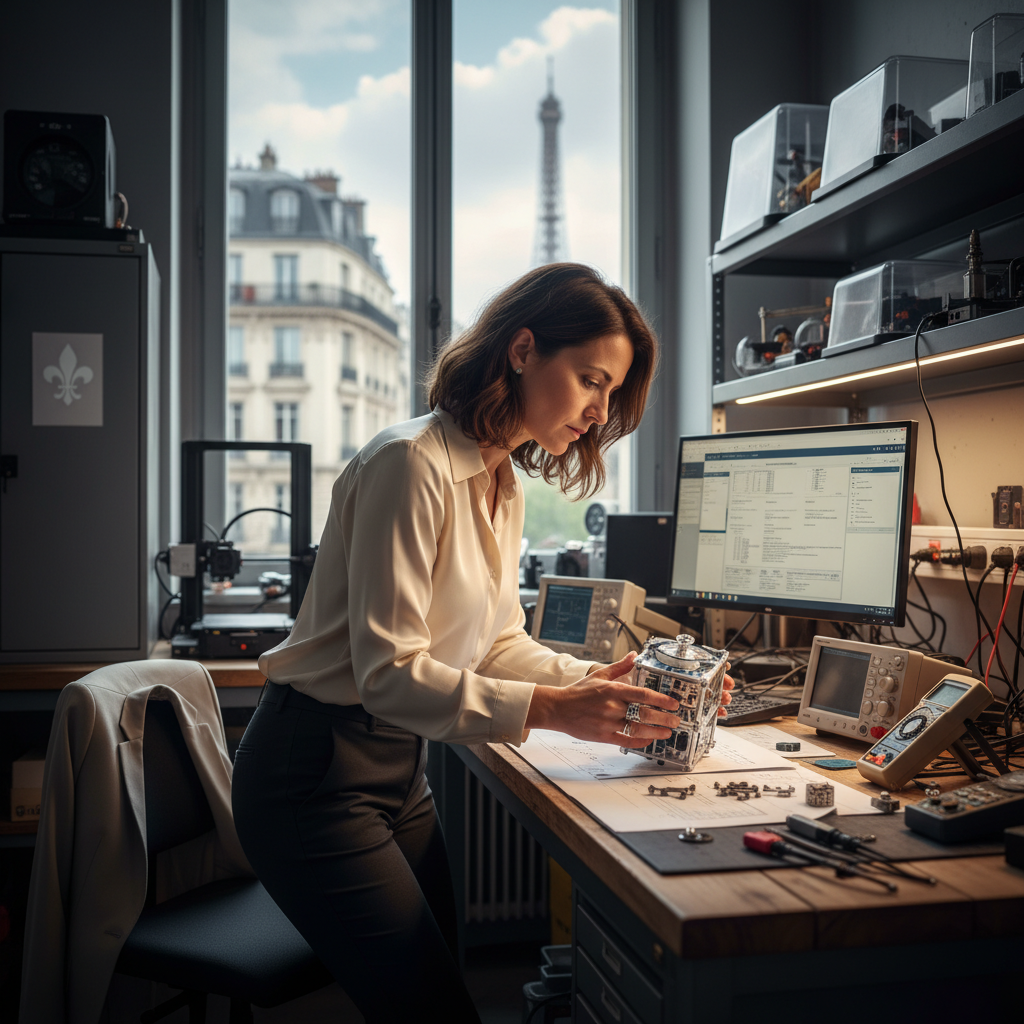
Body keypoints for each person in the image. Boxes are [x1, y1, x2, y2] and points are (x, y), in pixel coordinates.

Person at [231, 263, 733, 1023]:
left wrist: (606, 679)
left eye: (612, 393)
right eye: (591, 380)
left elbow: (497, 644)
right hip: (314, 775)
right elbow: (390, 676)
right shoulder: (410, 463)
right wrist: (558, 710)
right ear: (523, 350)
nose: (600, 413)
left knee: (443, 990)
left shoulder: (500, 481)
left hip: (397, 768)